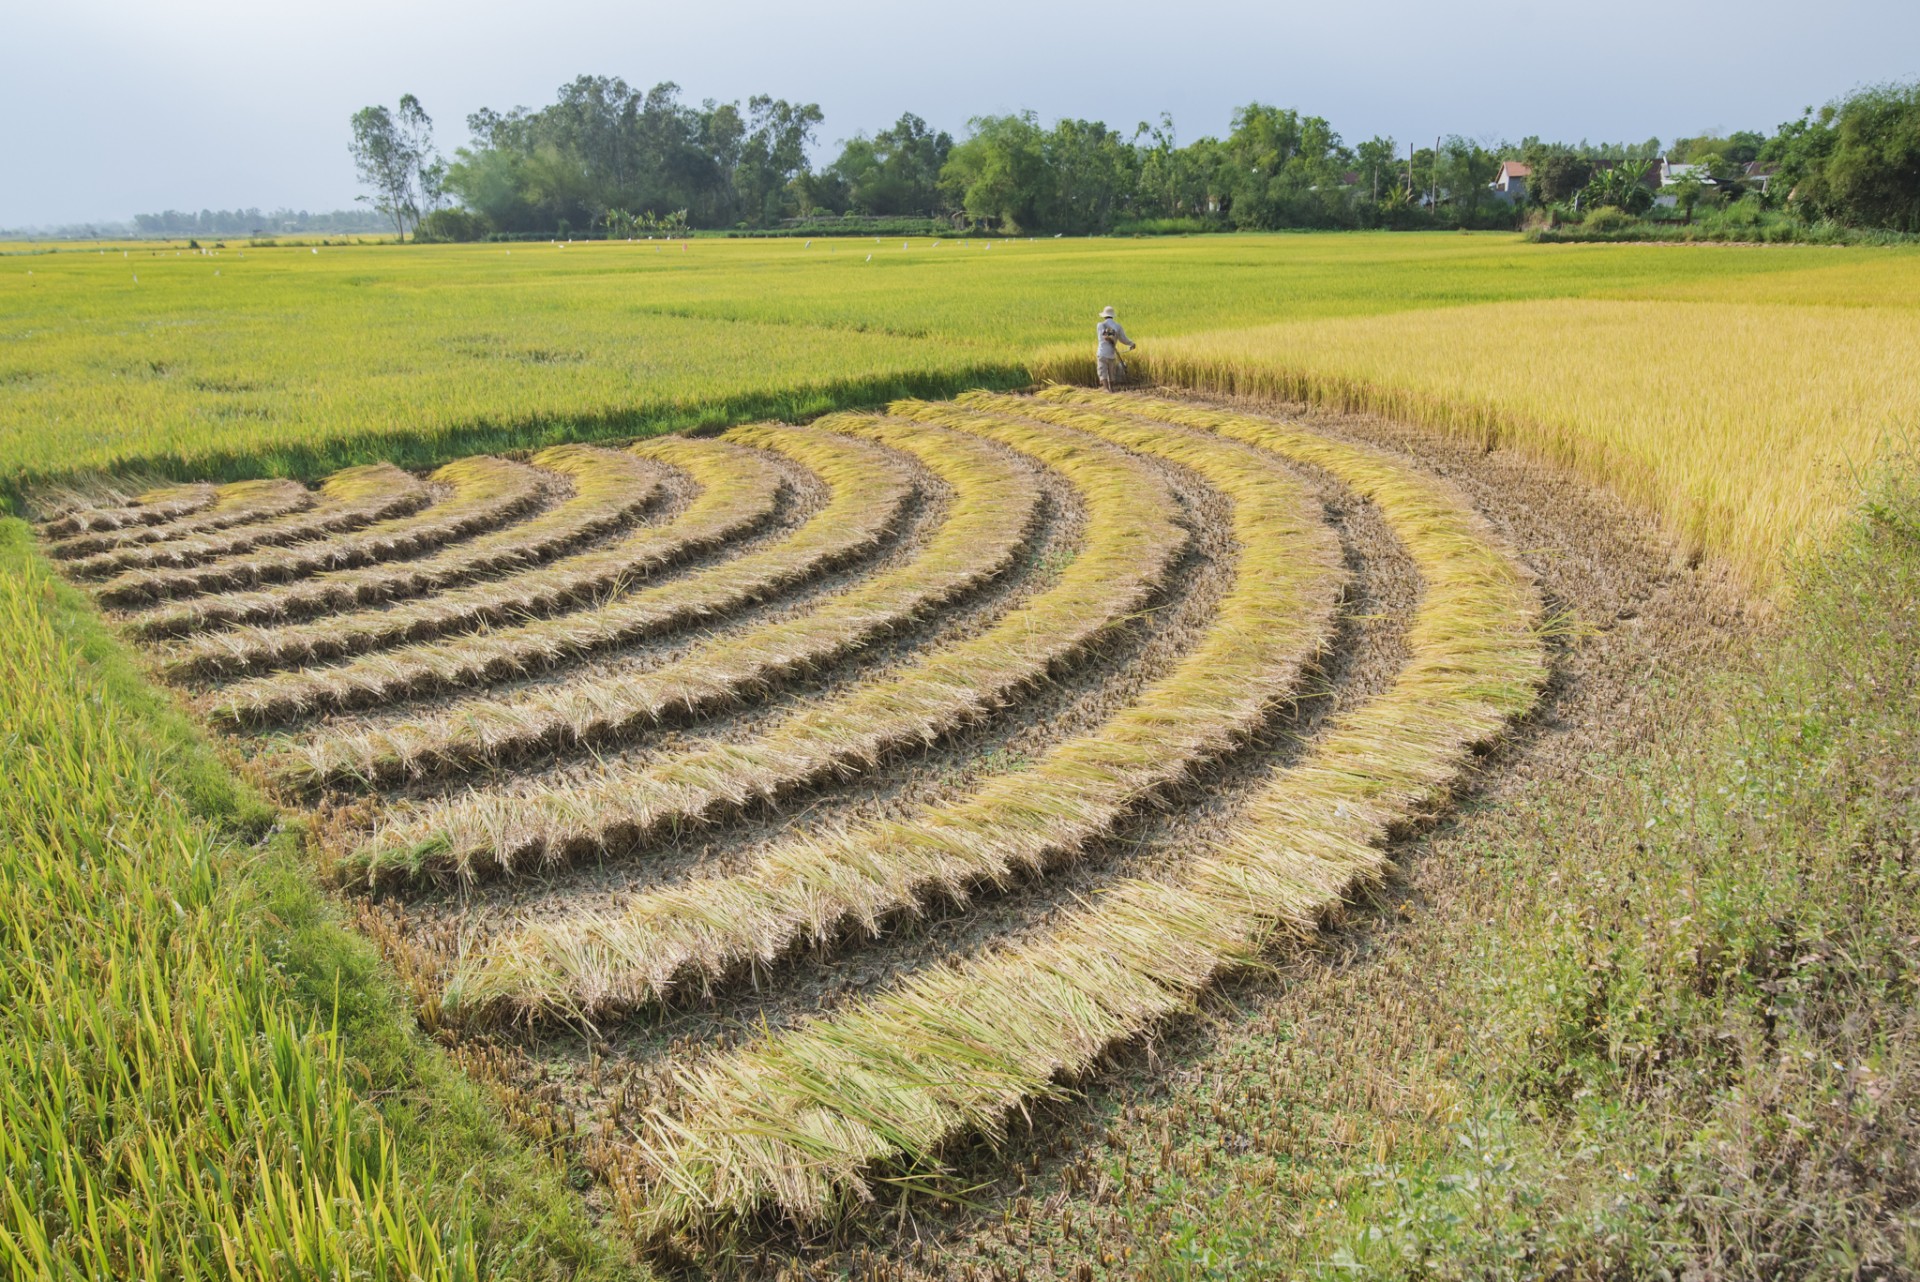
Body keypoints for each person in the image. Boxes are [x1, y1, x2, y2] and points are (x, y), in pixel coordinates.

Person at [1096, 305, 1136, 391]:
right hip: (1111, 354)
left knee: (1103, 373)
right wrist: (1131, 343)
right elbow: (1123, 339)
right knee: (1112, 374)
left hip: (1102, 354)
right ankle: (1112, 390)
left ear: (1104, 316)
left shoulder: (1100, 325)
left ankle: (1106, 391)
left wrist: (1110, 338)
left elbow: (1103, 336)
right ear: (1112, 316)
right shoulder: (1117, 326)